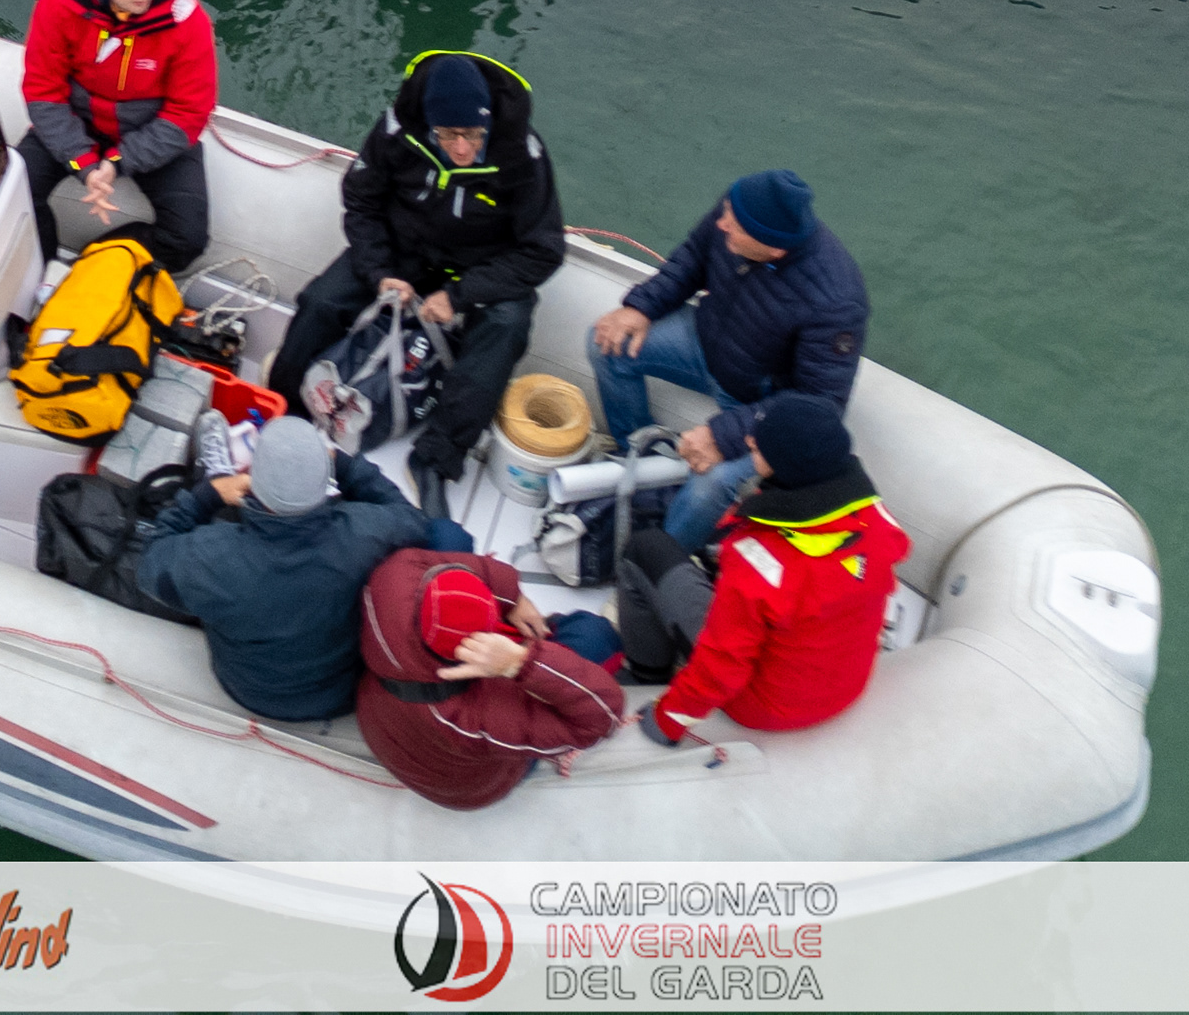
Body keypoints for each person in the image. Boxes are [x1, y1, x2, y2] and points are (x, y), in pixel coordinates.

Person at [259, 48, 565, 515]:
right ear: (428, 122)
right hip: (402, 256)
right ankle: (284, 407)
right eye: (448, 135)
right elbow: (361, 203)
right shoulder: (396, 131)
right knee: (321, 302)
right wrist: (383, 274)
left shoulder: (522, 154)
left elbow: (543, 249)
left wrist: (461, 295)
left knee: (508, 325)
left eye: (472, 136)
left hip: (475, 270)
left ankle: (437, 459)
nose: (461, 149)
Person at [587, 167, 869, 553]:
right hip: (705, 343)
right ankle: (643, 457)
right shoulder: (739, 210)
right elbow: (692, 257)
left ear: (774, 250)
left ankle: (659, 567)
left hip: (759, 400)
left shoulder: (836, 300)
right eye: (725, 215)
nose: (720, 224)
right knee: (604, 343)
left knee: (710, 485)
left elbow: (820, 402)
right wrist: (641, 307)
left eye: (733, 227)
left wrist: (724, 435)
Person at [629, 392, 911, 748]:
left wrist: (665, 719)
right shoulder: (880, 520)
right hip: (844, 688)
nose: (750, 441)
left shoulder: (755, 560)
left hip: (764, 707)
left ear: (784, 467)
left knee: (645, 548)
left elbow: (722, 665)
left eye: (760, 447)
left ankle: (644, 673)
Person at [130, 420, 442, 723]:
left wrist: (207, 495)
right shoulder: (366, 534)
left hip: (248, 689)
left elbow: (150, 562)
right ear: (325, 484)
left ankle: (214, 473)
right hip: (339, 695)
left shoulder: (212, 555)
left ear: (253, 481)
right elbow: (413, 521)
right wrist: (345, 466)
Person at [354, 547, 637, 808]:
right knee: (593, 635)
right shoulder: (470, 718)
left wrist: (512, 597)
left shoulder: (393, 577)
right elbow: (602, 718)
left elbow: (440, 563)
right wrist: (519, 663)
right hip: (472, 785)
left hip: (383, 721)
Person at [19, 0, 217, 270]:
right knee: (5, 193)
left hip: (150, 129)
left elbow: (188, 113)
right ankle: (43, 270)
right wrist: (83, 162)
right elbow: (43, 91)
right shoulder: (59, 4)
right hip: (79, 122)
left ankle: (93, 264)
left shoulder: (187, 20)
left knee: (187, 239)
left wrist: (116, 163)